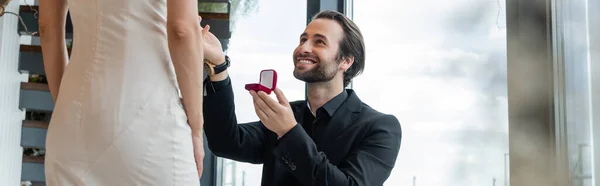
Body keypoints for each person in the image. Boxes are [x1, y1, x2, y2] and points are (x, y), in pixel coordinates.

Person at [202, 10, 403, 185]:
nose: (303, 48)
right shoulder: (288, 115)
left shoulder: (380, 128)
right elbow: (225, 142)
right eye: (303, 39)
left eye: (319, 42)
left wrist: (288, 132)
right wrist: (218, 68)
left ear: (346, 61)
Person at [39, 0, 207, 185]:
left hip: (73, 120)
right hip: (151, 120)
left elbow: (47, 28)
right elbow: (181, 29)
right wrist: (197, 129)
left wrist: (66, 108)